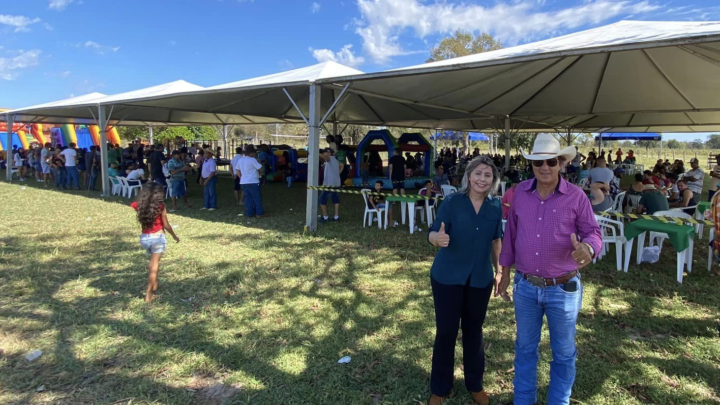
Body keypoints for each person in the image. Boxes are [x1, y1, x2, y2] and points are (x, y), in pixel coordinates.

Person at [499, 133, 601, 405]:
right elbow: (511, 234)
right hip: (525, 286)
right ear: (531, 164)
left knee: (564, 352)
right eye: (538, 162)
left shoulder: (577, 197)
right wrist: (504, 272)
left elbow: (593, 232)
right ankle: (523, 400)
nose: (545, 168)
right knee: (524, 349)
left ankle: (559, 401)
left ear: (561, 164)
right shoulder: (519, 192)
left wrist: (588, 249)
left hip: (563, 288)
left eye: (552, 162)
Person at [426, 156, 504, 405]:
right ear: (469, 176)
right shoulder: (451, 202)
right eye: (478, 173)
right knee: (446, 332)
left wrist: (500, 270)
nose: (482, 179)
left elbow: (496, 241)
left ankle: (475, 384)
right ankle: (440, 388)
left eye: (488, 175)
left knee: (474, 332)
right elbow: (433, 232)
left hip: (480, 279)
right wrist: (436, 240)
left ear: (493, 181)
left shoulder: (495, 206)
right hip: (447, 277)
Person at [131, 183, 180, 303]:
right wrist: (174, 236)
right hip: (157, 237)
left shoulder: (138, 205)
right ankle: (149, 294)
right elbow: (166, 225)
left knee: (153, 263)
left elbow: (134, 203)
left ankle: (155, 284)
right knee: (154, 266)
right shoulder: (160, 206)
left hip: (144, 237)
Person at [236, 145, 265, 218]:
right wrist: (259, 174)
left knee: (247, 198)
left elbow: (237, 170)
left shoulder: (241, 160)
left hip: (244, 182)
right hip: (253, 181)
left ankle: (249, 213)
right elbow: (260, 168)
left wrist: (241, 177)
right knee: (256, 198)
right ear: (252, 153)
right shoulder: (253, 160)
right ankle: (259, 213)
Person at [319, 148, 341, 222]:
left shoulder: (330, 158)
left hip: (329, 184)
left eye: (324, 152)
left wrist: (316, 152)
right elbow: (342, 165)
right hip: (336, 183)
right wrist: (338, 174)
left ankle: (325, 217)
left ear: (328, 153)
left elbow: (325, 157)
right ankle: (336, 217)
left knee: (321, 200)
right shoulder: (335, 160)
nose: (324, 154)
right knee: (336, 200)